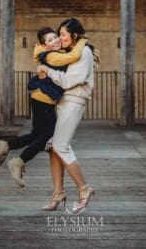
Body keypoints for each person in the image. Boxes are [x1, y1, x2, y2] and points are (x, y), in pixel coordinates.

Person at [0, 26, 87, 188]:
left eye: (55, 37)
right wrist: (83, 41)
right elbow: (75, 55)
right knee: (49, 136)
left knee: (37, 134)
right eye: (50, 40)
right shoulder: (53, 57)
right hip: (44, 100)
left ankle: (5, 146)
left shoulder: (55, 54)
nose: (55, 41)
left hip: (42, 99)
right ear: (44, 46)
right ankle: (19, 161)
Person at [37, 17, 98, 213]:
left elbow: (68, 81)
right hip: (64, 102)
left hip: (74, 102)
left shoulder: (85, 52)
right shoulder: (71, 53)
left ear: (75, 35)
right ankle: (58, 193)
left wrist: (48, 70)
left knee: (60, 146)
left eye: (63, 34)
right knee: (53, 148)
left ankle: (84, 188)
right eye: (59, 34)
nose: (60, 38)